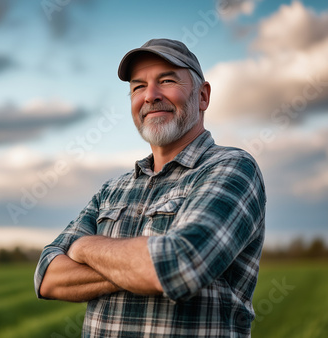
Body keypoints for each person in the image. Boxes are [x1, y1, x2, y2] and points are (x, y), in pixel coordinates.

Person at [34, 38, 266, 337]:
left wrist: (83, 247)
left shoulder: (231, 168)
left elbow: (180, 266)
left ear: (203, 96)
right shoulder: (111, 190)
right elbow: (48, 276)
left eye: (166, 80)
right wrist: (138, 267)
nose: (150, 96)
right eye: (138, 86)